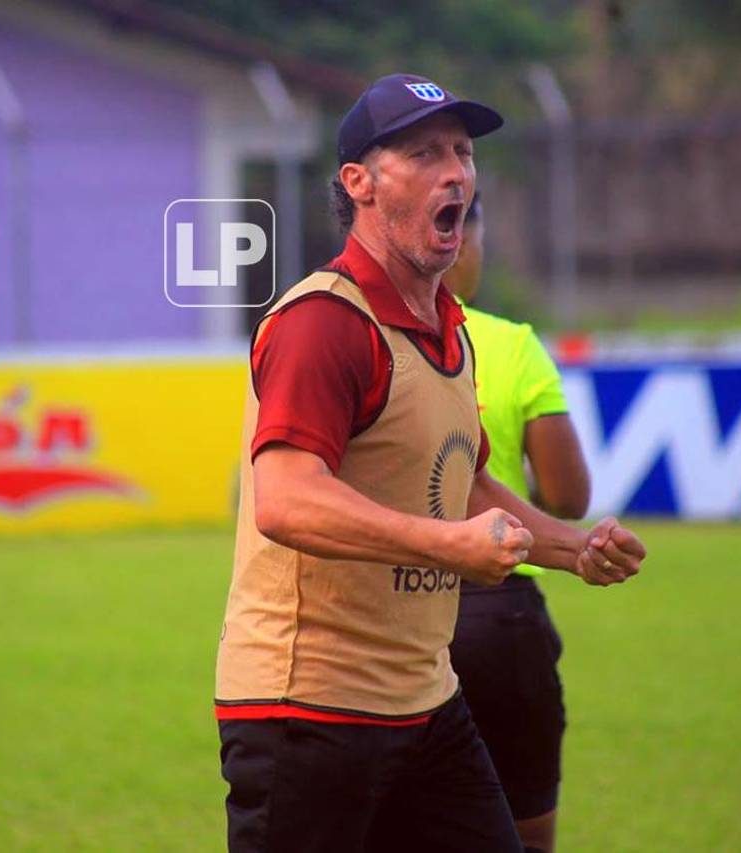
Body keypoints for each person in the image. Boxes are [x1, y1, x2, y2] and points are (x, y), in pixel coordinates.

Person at [214, 73, 646, 853]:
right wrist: (452, 546)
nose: (456, 172)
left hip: (424, 701)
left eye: (462, 152)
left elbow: (466, 483)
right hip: (306, 711)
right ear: (361, 183)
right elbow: (285, 499)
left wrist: (570, 548)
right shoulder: (323, 322)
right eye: (423, 153)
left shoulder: (451, 330)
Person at [445, 193, 589, 853]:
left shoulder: (364, 338)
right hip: (498, 615)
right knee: (524, 835)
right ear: (464, 239)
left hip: (391, 610)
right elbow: (567, 494)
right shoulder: (511, 345)